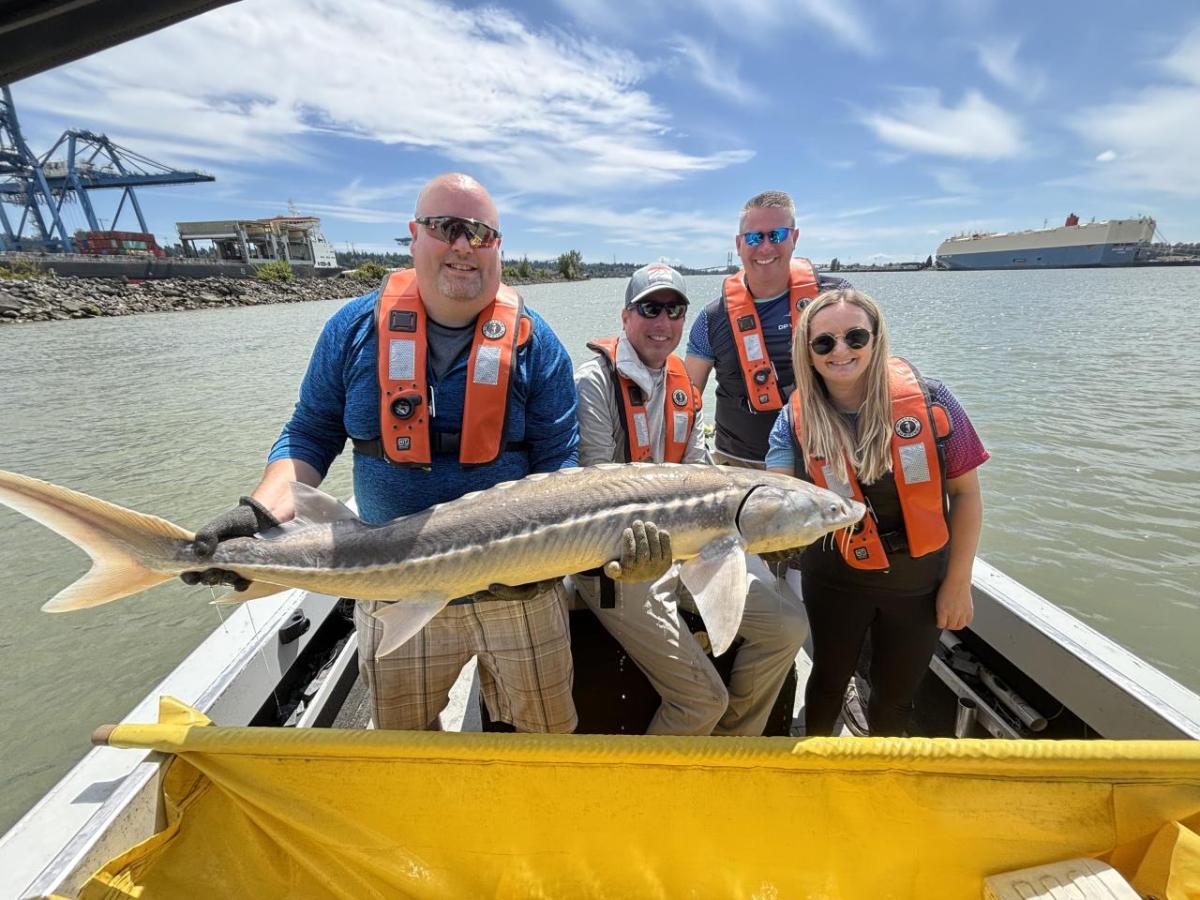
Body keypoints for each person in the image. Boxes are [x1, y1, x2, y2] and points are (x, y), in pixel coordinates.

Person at [181, 172, 662, 733]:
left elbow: (560, 467)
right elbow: (310, 433)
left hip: (520, 595)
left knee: (546, 742)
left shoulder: (538, 344)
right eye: (446, 227)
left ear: (498, 247)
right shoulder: (353, 329)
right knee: (403, 744)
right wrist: (262, 511)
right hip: (387, 579)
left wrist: (592, 556)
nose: (463, 245)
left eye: (480, 233)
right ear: (414, 237)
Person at [573, 263, 809, 735]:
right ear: (626, 317)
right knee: (702, 701)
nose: (663, 323)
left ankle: (730, 750)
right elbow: (594, 491)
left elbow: (702, 476)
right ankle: (652, 793)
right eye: (650, 309)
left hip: (685, 552)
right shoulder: (593, 381)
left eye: (675, 310)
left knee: (787, 626)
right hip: (621, 562)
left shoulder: (684, 386)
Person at [765, 288, 988, 736]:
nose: (840, 351)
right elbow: (774, 498)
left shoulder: (934, 400)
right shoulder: (792, 421)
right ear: (807, 354)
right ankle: (819, 775)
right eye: (823, 343)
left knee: (895, 698)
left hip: (920, 583)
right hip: (834, 577)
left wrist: (958, 582)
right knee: (826, 683)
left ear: (876, 338)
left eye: (855, 337)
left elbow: (966, 496)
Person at [684, 190, 851, 469]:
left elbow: (874, 376)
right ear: (739, 244)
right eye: (753, 237)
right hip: (740, 464)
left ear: (794, 238)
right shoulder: (710, 319)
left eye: (776, 235)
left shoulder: (838, 298)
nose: (764, 247)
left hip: (825, 460)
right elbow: (686, 403)